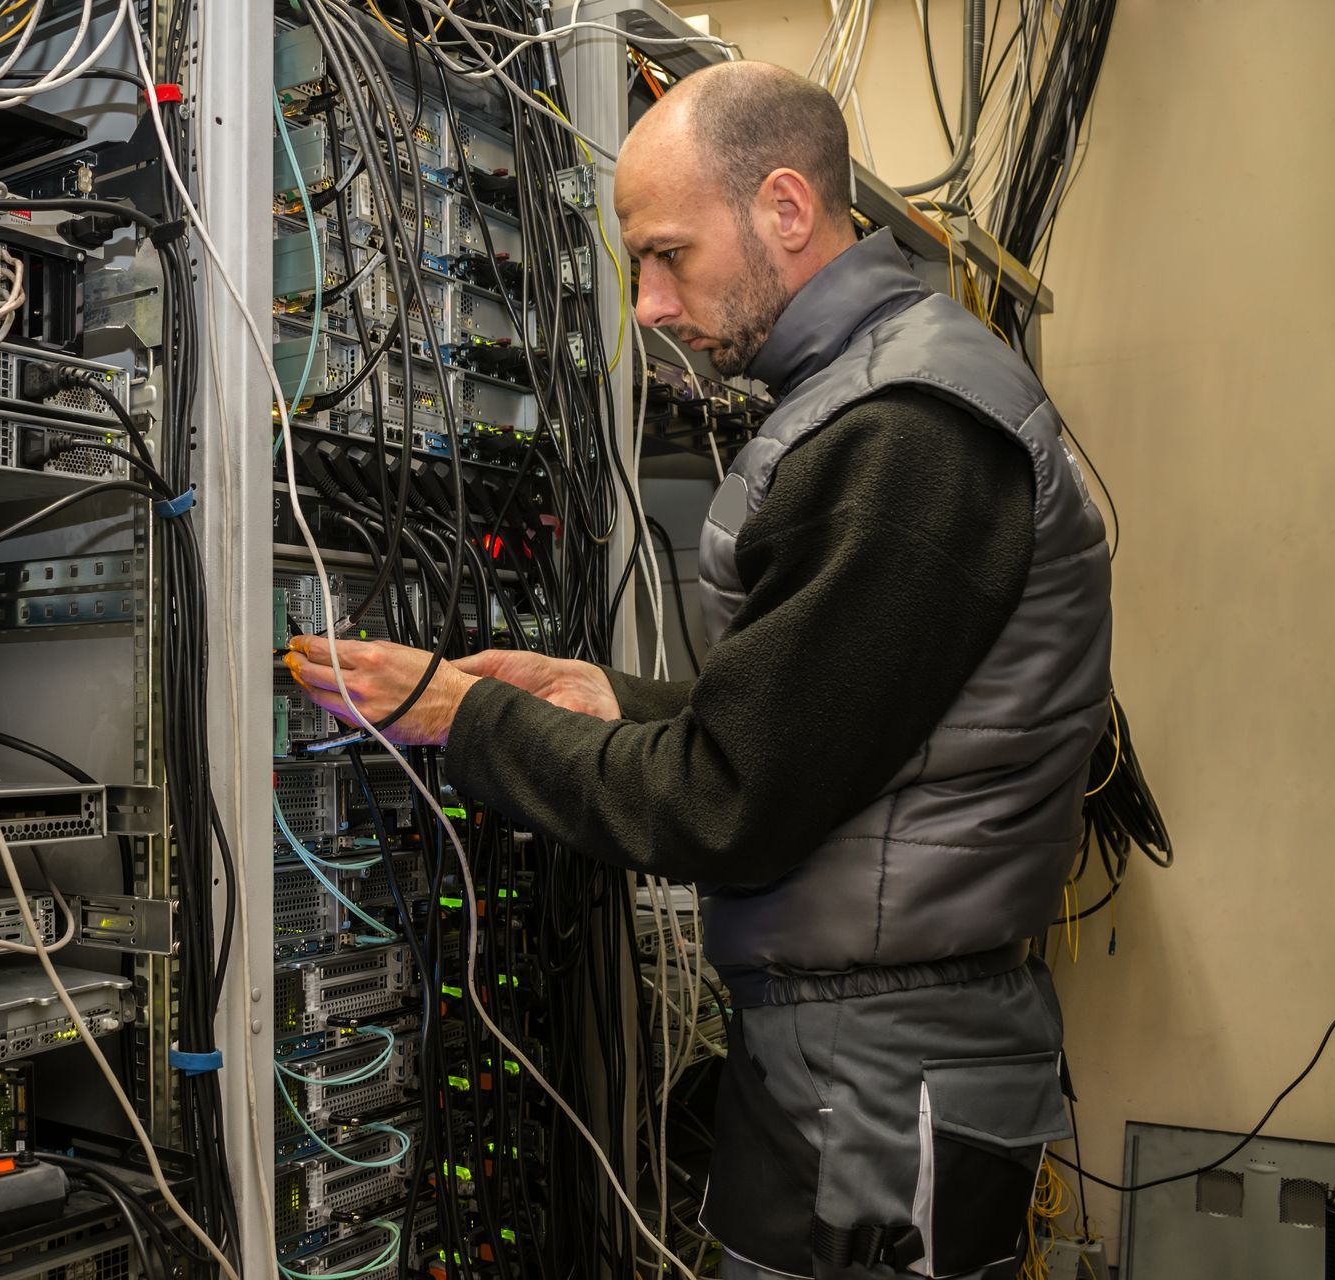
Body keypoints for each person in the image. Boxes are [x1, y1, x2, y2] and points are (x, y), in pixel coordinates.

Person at [284, 60, 1111, 1280]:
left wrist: (469, 717)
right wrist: (610, 700)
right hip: (863, 1059)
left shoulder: (905, 434)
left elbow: (730, 798)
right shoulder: (879, 393)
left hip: (878, 1083)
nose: (653, 305)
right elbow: (843, 718)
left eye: (669, 255)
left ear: (786, 208)